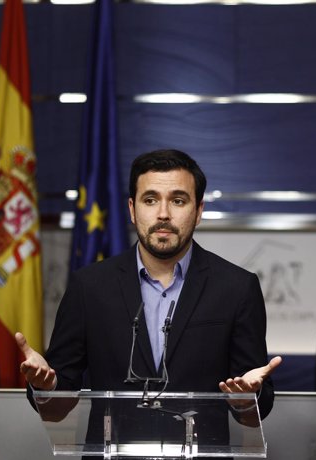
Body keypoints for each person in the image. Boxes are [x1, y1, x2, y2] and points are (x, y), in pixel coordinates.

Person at [15, 149, 281, 430]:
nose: (163, 214)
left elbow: (254, 413)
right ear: (132, 209)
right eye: (150, 200)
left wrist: (246, 400)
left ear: (199, 211)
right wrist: (47, 385)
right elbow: (56, 409)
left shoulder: (237, 288)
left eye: (178, 200)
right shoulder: (89, 287)